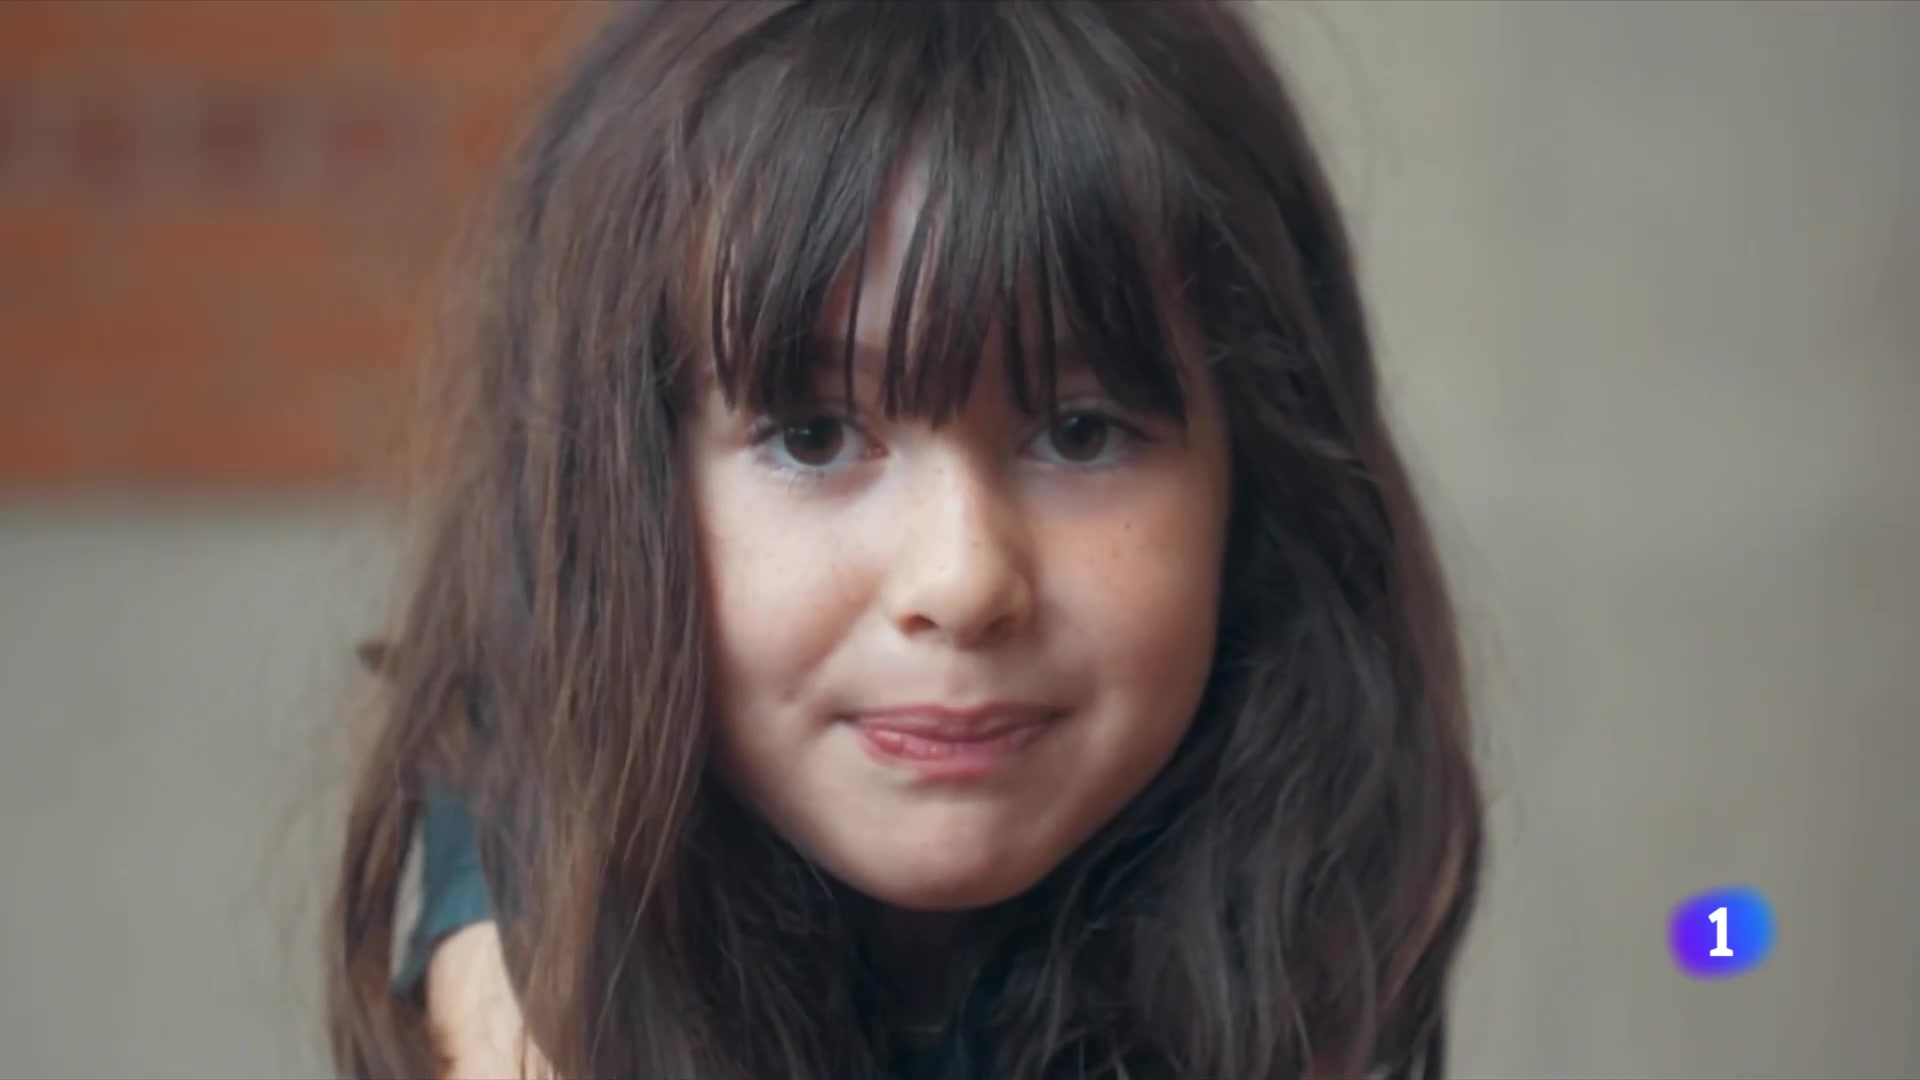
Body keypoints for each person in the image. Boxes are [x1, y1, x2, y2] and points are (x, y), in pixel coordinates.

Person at [326, 3, 1483, 1078]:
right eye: (815, 436)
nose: (963, 580)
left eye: (1081, 433)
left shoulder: (1305, 922)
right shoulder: (530, 928)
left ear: (1262, 486)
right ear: (613, 498)